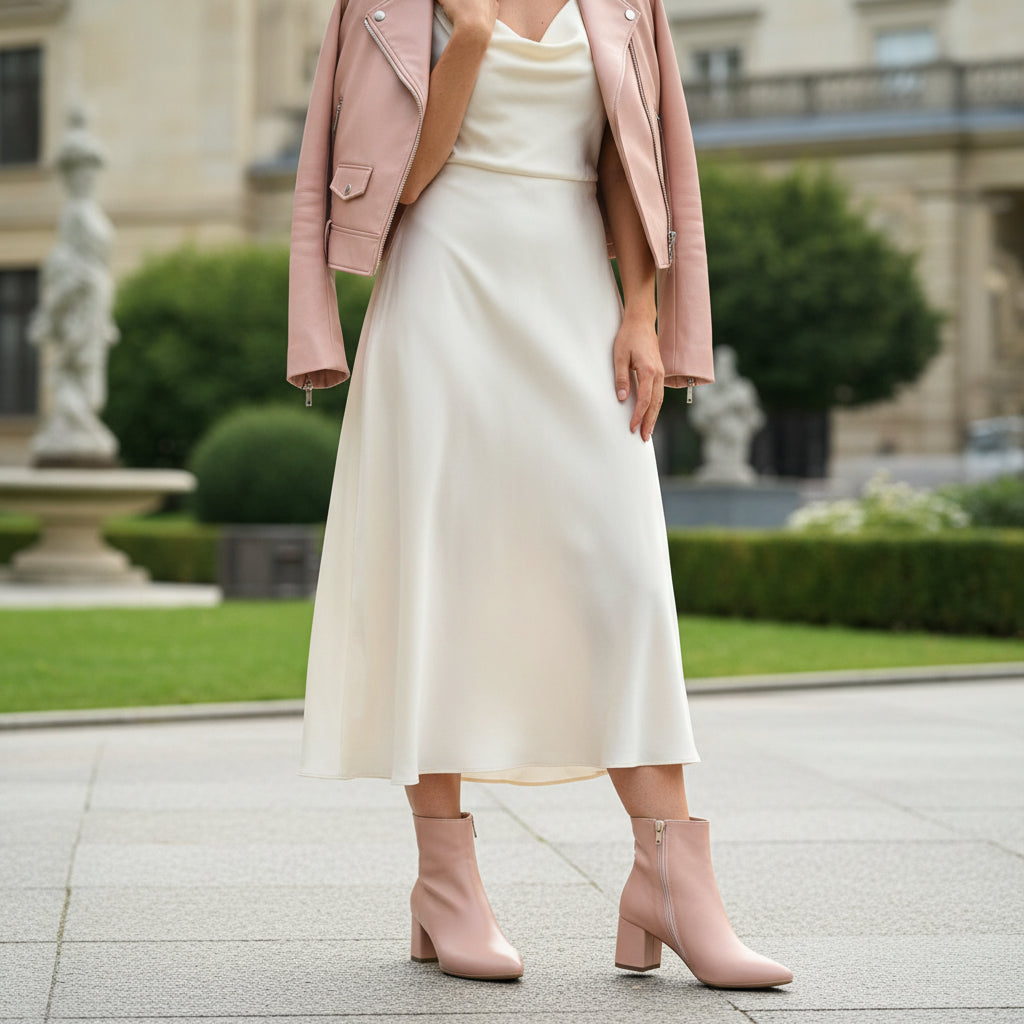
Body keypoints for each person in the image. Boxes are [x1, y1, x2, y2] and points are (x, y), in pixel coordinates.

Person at [290, 0, 793, 989]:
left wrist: (642, 312)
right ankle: (446, 883)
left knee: (624, 580)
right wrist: (471, 38)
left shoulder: (624, 4)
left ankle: (668, 877)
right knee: (436, 577)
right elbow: (395, 192)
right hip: (440, 290)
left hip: (576, 300)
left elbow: (628, 159)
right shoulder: (390, 6)